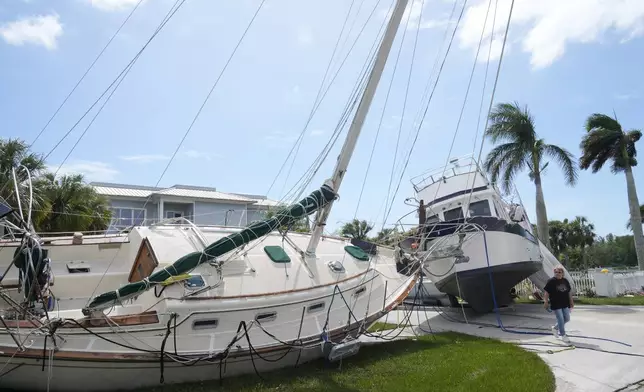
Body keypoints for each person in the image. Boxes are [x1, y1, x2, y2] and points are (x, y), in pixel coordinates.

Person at [543, 265, 574, 343]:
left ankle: (555, 328)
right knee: (560, 319)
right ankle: (563, 335)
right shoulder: (551, 281)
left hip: (564, 303)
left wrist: (571, 301)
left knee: (567, 318)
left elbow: (569, 292)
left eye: (559, 272)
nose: (557, 273)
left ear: (562, 273)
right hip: (556, 303)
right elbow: (546, 292)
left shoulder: (565, 281)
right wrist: (545, 301)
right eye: (556, 272)